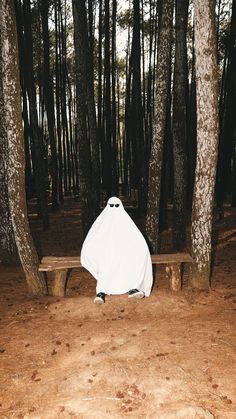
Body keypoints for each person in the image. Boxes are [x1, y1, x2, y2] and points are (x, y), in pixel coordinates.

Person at [81, 196, 153, 304]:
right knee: (105, 265)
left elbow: (136, 239)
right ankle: (101, 293)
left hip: (123, 256)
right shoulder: (102, 222)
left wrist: (141, 250)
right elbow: (93, 238)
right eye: (111, 206)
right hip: (106, 257)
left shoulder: (126, 222)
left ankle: (132, 289)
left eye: (116, 206)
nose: (114, 208)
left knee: (127, 264)